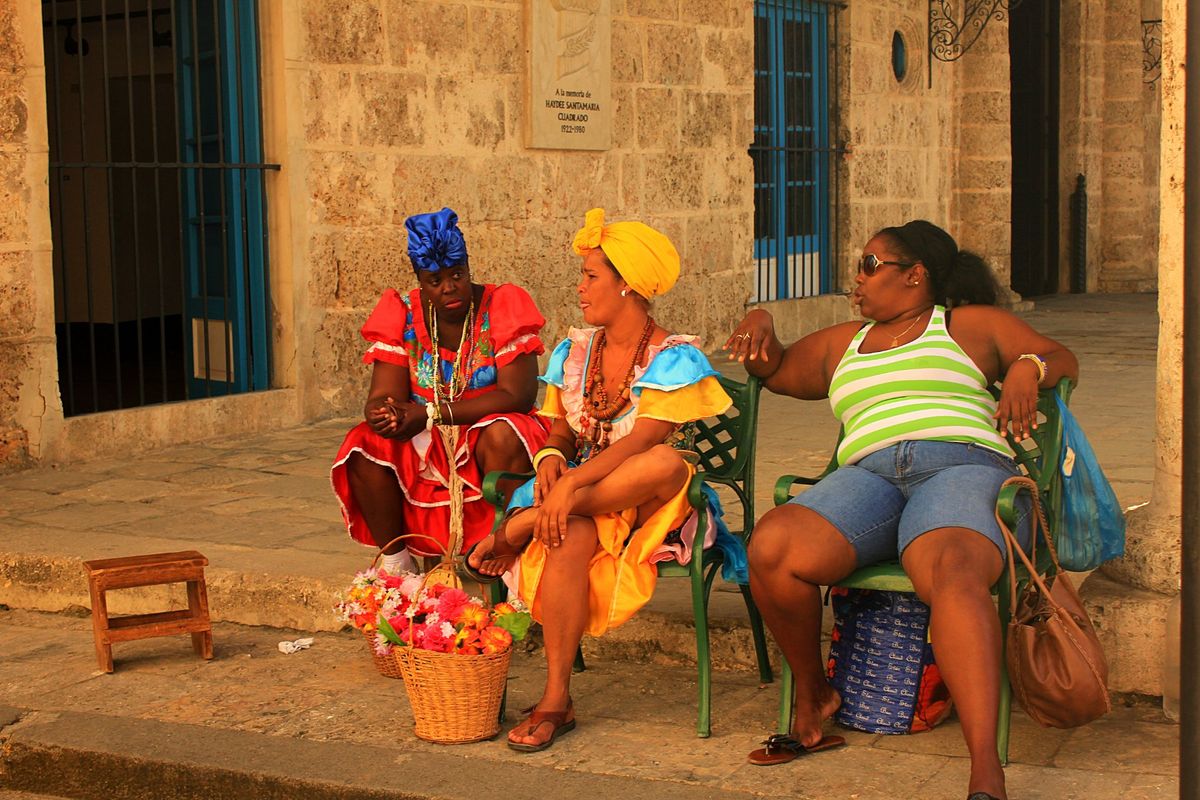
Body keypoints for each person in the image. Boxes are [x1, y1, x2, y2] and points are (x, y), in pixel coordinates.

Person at [726, 220, 1079, 800]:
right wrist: (762, 321)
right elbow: (776, 367)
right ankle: (816, 696)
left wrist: (1027, 367)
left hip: (961, 467)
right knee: (773, 547)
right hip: (868, 478)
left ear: (914, 276)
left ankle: (985, 770)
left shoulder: (966, 327)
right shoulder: (844, 342)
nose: (855, 280)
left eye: (869, 265)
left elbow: (1059, 356)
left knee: (955, 575)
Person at [463, 208, 735, 752]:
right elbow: (560, 431)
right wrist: (547, 462)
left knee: (666, 462)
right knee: (569, 536)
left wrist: (569, 486)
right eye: (582, 276)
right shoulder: (577, 350)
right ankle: (556, 700)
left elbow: (640, 442)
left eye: (591, 277)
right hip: (582, 499)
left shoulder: (673, 356)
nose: (580, 289)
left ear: (628, 285)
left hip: (644, 502)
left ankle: (525, 525)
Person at [330, 208, 551, 573]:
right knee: (363, 443)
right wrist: (382, 412)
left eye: (457, 275)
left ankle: (505, 550)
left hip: (490, 430)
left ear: (467, 268)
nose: (449, 288)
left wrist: (431, 413)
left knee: (504, 432)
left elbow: (518, 395)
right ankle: (398, 565)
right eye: (435, 280)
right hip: (427, 434)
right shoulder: (401, 312)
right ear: (420, 281)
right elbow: (384, 393)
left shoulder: (502, 304)